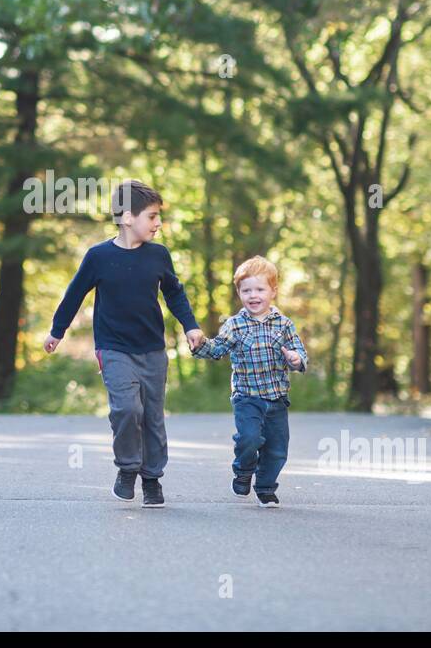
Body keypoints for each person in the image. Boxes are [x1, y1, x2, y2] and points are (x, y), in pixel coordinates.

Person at [44, 179, 204, 508]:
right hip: (113, 348)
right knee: (127, 409)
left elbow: (174, 293)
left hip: (152, 350)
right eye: (152, 216)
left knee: (153, 417)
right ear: (127, 217)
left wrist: (190, 326)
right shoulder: (98, 257)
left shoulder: (159, 256)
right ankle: (128, 468)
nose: (158, 223)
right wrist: (57, 331)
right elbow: (74, 294)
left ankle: (152, 478)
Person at [192, 255, 309, 507]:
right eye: (246, 290)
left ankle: (266, 487)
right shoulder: (235, 325)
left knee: (278, 449)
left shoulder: (284, 324)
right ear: (239, 293)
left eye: (259, 289)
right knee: (249, 439)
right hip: (247, 397)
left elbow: (299, 353)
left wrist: (296, 359)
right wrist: (200, 344)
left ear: (273, 291)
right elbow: (217, 349)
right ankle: (244, 470)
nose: (253, 295)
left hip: (277, 398)